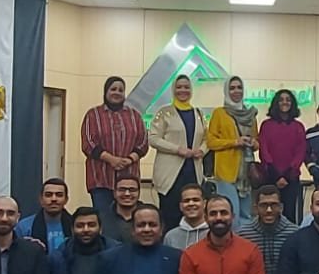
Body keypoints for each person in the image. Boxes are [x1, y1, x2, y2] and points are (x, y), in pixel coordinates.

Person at [81, 76, 149, 211]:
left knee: (128, 218)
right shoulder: (93, 114)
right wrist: (111, 159)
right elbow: (88, 143)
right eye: (113, 89)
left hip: (129, 179)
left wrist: (129, 160)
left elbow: (143, 143)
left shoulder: (135, 116)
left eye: (120, 90)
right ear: (106, 92)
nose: (117, 93)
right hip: (101, 179)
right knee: (104, 218)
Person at [150, 74, 208, 231]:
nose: (183, 90)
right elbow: (153, 138)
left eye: (186, 87)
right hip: (170, 177)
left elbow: (206, 138)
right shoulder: (164, 113)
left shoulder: (198, 114)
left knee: (193, 216)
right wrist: (177, 149)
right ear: (173, 90)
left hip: (193, 173)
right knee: (170, 217)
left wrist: (201, 150)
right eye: (179, 87)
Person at [207, 76, 259, 223]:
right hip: (226, 172)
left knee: (247, 216)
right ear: (226, 91)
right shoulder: (219, 113)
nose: (236, 91)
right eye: (232, 88)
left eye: (239, 87)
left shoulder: (250, 115)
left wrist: (254, 143)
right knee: (230, 214)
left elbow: (256, 141)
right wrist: (235, 142)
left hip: (246, 172)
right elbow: (211, 142)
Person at [258, 89, 307, 223]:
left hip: (291, 178)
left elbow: (300, 151)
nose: (285, 102)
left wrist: (287, 175)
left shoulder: (298, 126)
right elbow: (263, 149)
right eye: (281, 100)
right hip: (271, 176)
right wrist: (276, 175)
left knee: (290, 215)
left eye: (288, 100)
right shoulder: (266, 125)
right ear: (276, 103)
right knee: (269, 214)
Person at [15, 178, 73, 251]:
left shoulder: (76, 225)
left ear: (66, 199)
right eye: (48, 195)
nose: (54, 199)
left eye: (59, 195)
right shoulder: (24, 226)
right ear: (41, 199)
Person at [163, 184, 209, 251]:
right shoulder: (170, 237)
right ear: (181, 206)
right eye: (186, 201)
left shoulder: (213, 233)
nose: (191, 203)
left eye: (195, 200)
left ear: (204, 204)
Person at [100, 176, 141, 244]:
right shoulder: (101, 218)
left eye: (132, 190)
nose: (127, 194)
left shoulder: (150, 217)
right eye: (122, 189)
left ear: (139, 193)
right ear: (114, 193)